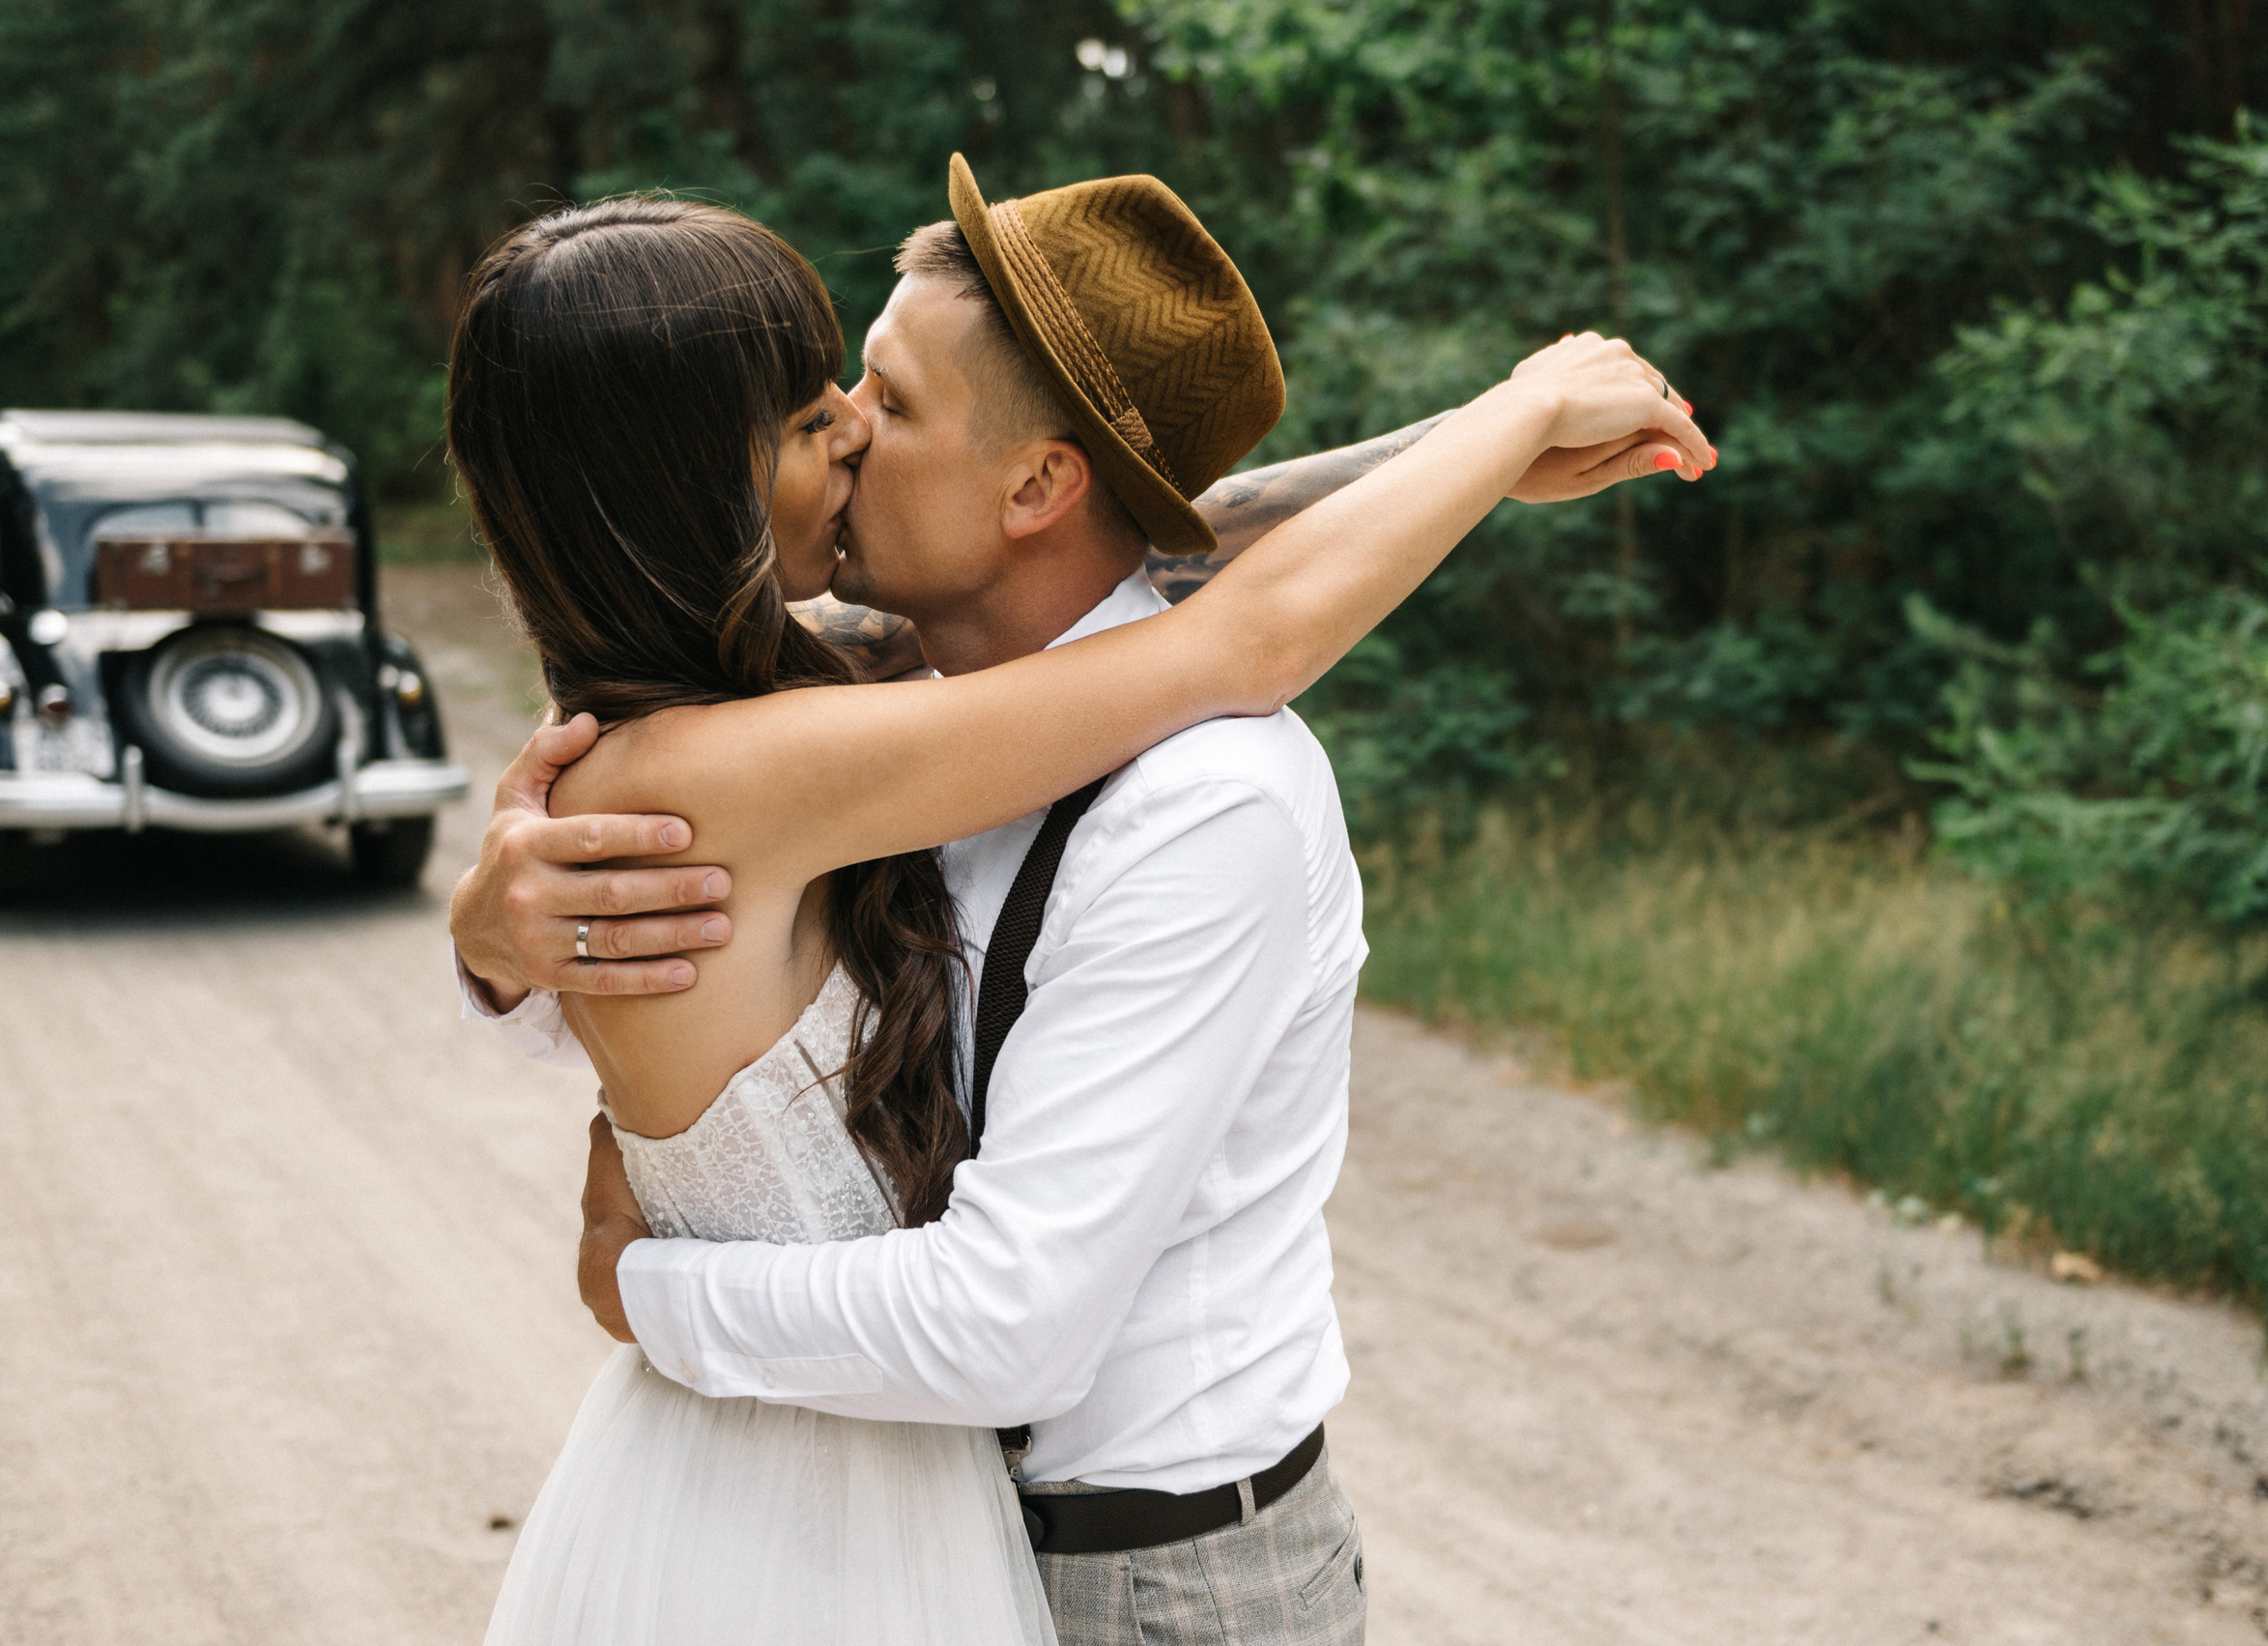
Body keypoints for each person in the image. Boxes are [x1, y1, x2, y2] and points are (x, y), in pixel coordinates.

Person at [451, 158, 1709, 1646]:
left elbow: (1000, 1328)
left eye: (884, 403)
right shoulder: (850, 700)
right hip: (857, 1535)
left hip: (1150, 1581)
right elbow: (1208, 596)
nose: (848, 428)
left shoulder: (1198, 800)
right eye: (822, 405)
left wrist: (643, 1287)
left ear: (1042, 486)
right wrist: (494, 943)